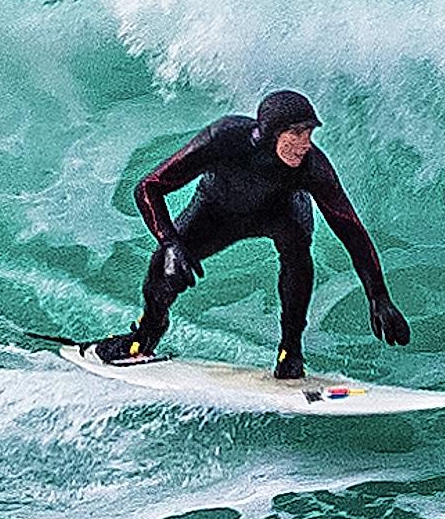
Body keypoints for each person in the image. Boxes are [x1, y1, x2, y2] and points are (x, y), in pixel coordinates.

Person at [94, 87, 411, 379]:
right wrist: (170, 243)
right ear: (272, 132)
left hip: (280, 215)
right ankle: (147, 333)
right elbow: (149, 187)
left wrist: (378, 296)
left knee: (298, 252)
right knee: (161, 266)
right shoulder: (225, 139)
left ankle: (291, 349)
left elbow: (351, 230)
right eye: (297, 133)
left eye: (310, 133)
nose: (305, 143)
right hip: (217, 210)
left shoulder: (312, 167)